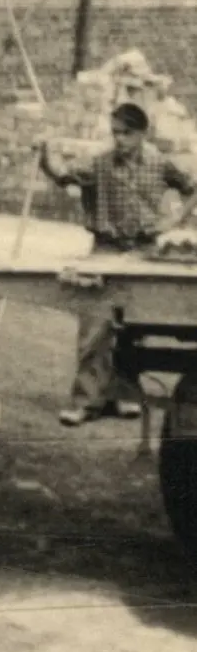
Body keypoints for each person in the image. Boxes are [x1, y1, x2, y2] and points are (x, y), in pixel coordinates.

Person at [38, 101, 197, 426]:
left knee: (134, 327)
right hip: (106, 248)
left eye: (126, 133)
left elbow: (191, 188)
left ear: (142, 134)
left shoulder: (159, 162)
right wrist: (45, 155)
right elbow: (63, 176)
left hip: (144, 250)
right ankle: (86, 400)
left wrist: (174, 221)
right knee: (94, 325)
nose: (119, 139)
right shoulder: (99, 164)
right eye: (115, 133)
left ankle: (124, 394)